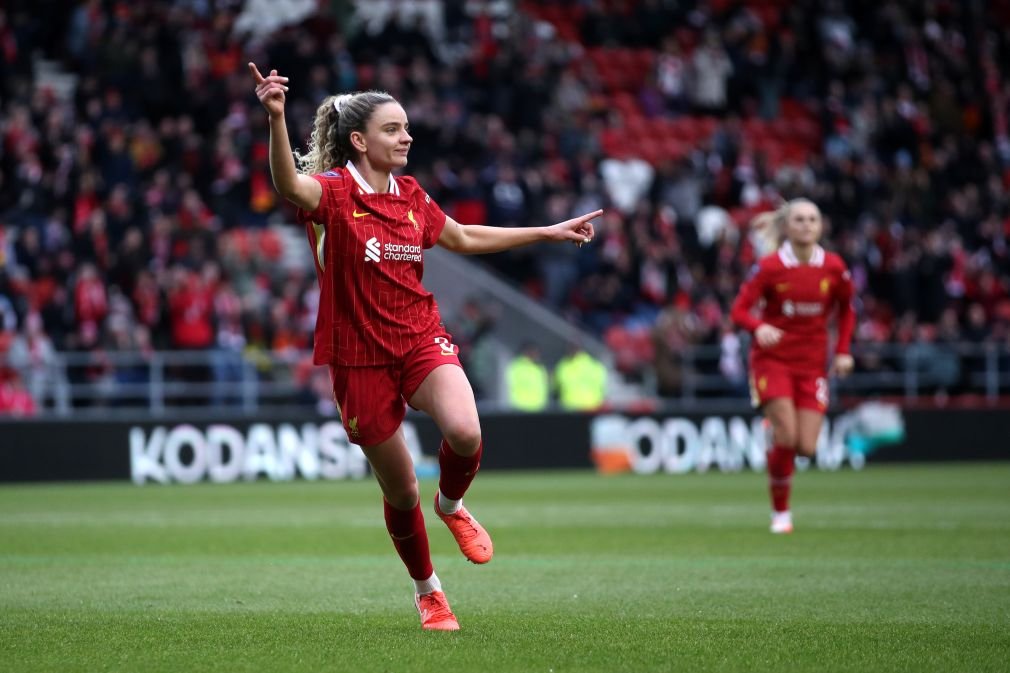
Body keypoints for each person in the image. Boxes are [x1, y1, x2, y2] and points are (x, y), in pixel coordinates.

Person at [249, 63, 601, 630]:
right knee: (402, 487)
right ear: (359, 141)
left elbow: (460, 237)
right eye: (393, 129)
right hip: (358, 355)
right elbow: (289, 185)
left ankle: (454, 506)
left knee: (465, 431)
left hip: (417, 335)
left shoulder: (411, 195)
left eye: (406, 126)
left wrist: (547, 231)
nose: (407, 136)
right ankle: (428, 590)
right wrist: (275, 119)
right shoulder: (336, 194)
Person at [730, 199, 855, 534]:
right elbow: (739, 311)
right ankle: (780, 514)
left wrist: (842, 350)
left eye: (812, 219)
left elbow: (847, 309)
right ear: (787, 227)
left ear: (820, 226)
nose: (806, 225)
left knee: (806, 447)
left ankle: (774, 430)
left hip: (813, 365)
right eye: (799, 219)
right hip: (773, 361)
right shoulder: (770, 267)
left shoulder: (833, 266)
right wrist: (759, 327)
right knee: (788, 435)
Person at [505, 341, 549, 411]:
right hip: (522, 409)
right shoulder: (517, 366)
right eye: (535, 352)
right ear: (528, 352)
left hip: (538, 409)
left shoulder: (540, 368)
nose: (537, 355)